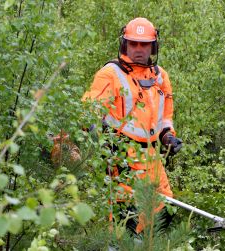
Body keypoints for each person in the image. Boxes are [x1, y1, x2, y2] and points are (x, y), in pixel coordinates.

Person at [82, 17, 183, 234]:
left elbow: (165, 118)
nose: (139, 49)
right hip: (122, 161)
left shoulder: (160, 77)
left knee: (164, 215)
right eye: (134, 43)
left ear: (153, 46)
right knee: (125, 223)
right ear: (124, 44)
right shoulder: (110, 74)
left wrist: (168, 137)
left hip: (152, 160)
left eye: (144, 44)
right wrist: (104, 145)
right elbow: (89, 111)